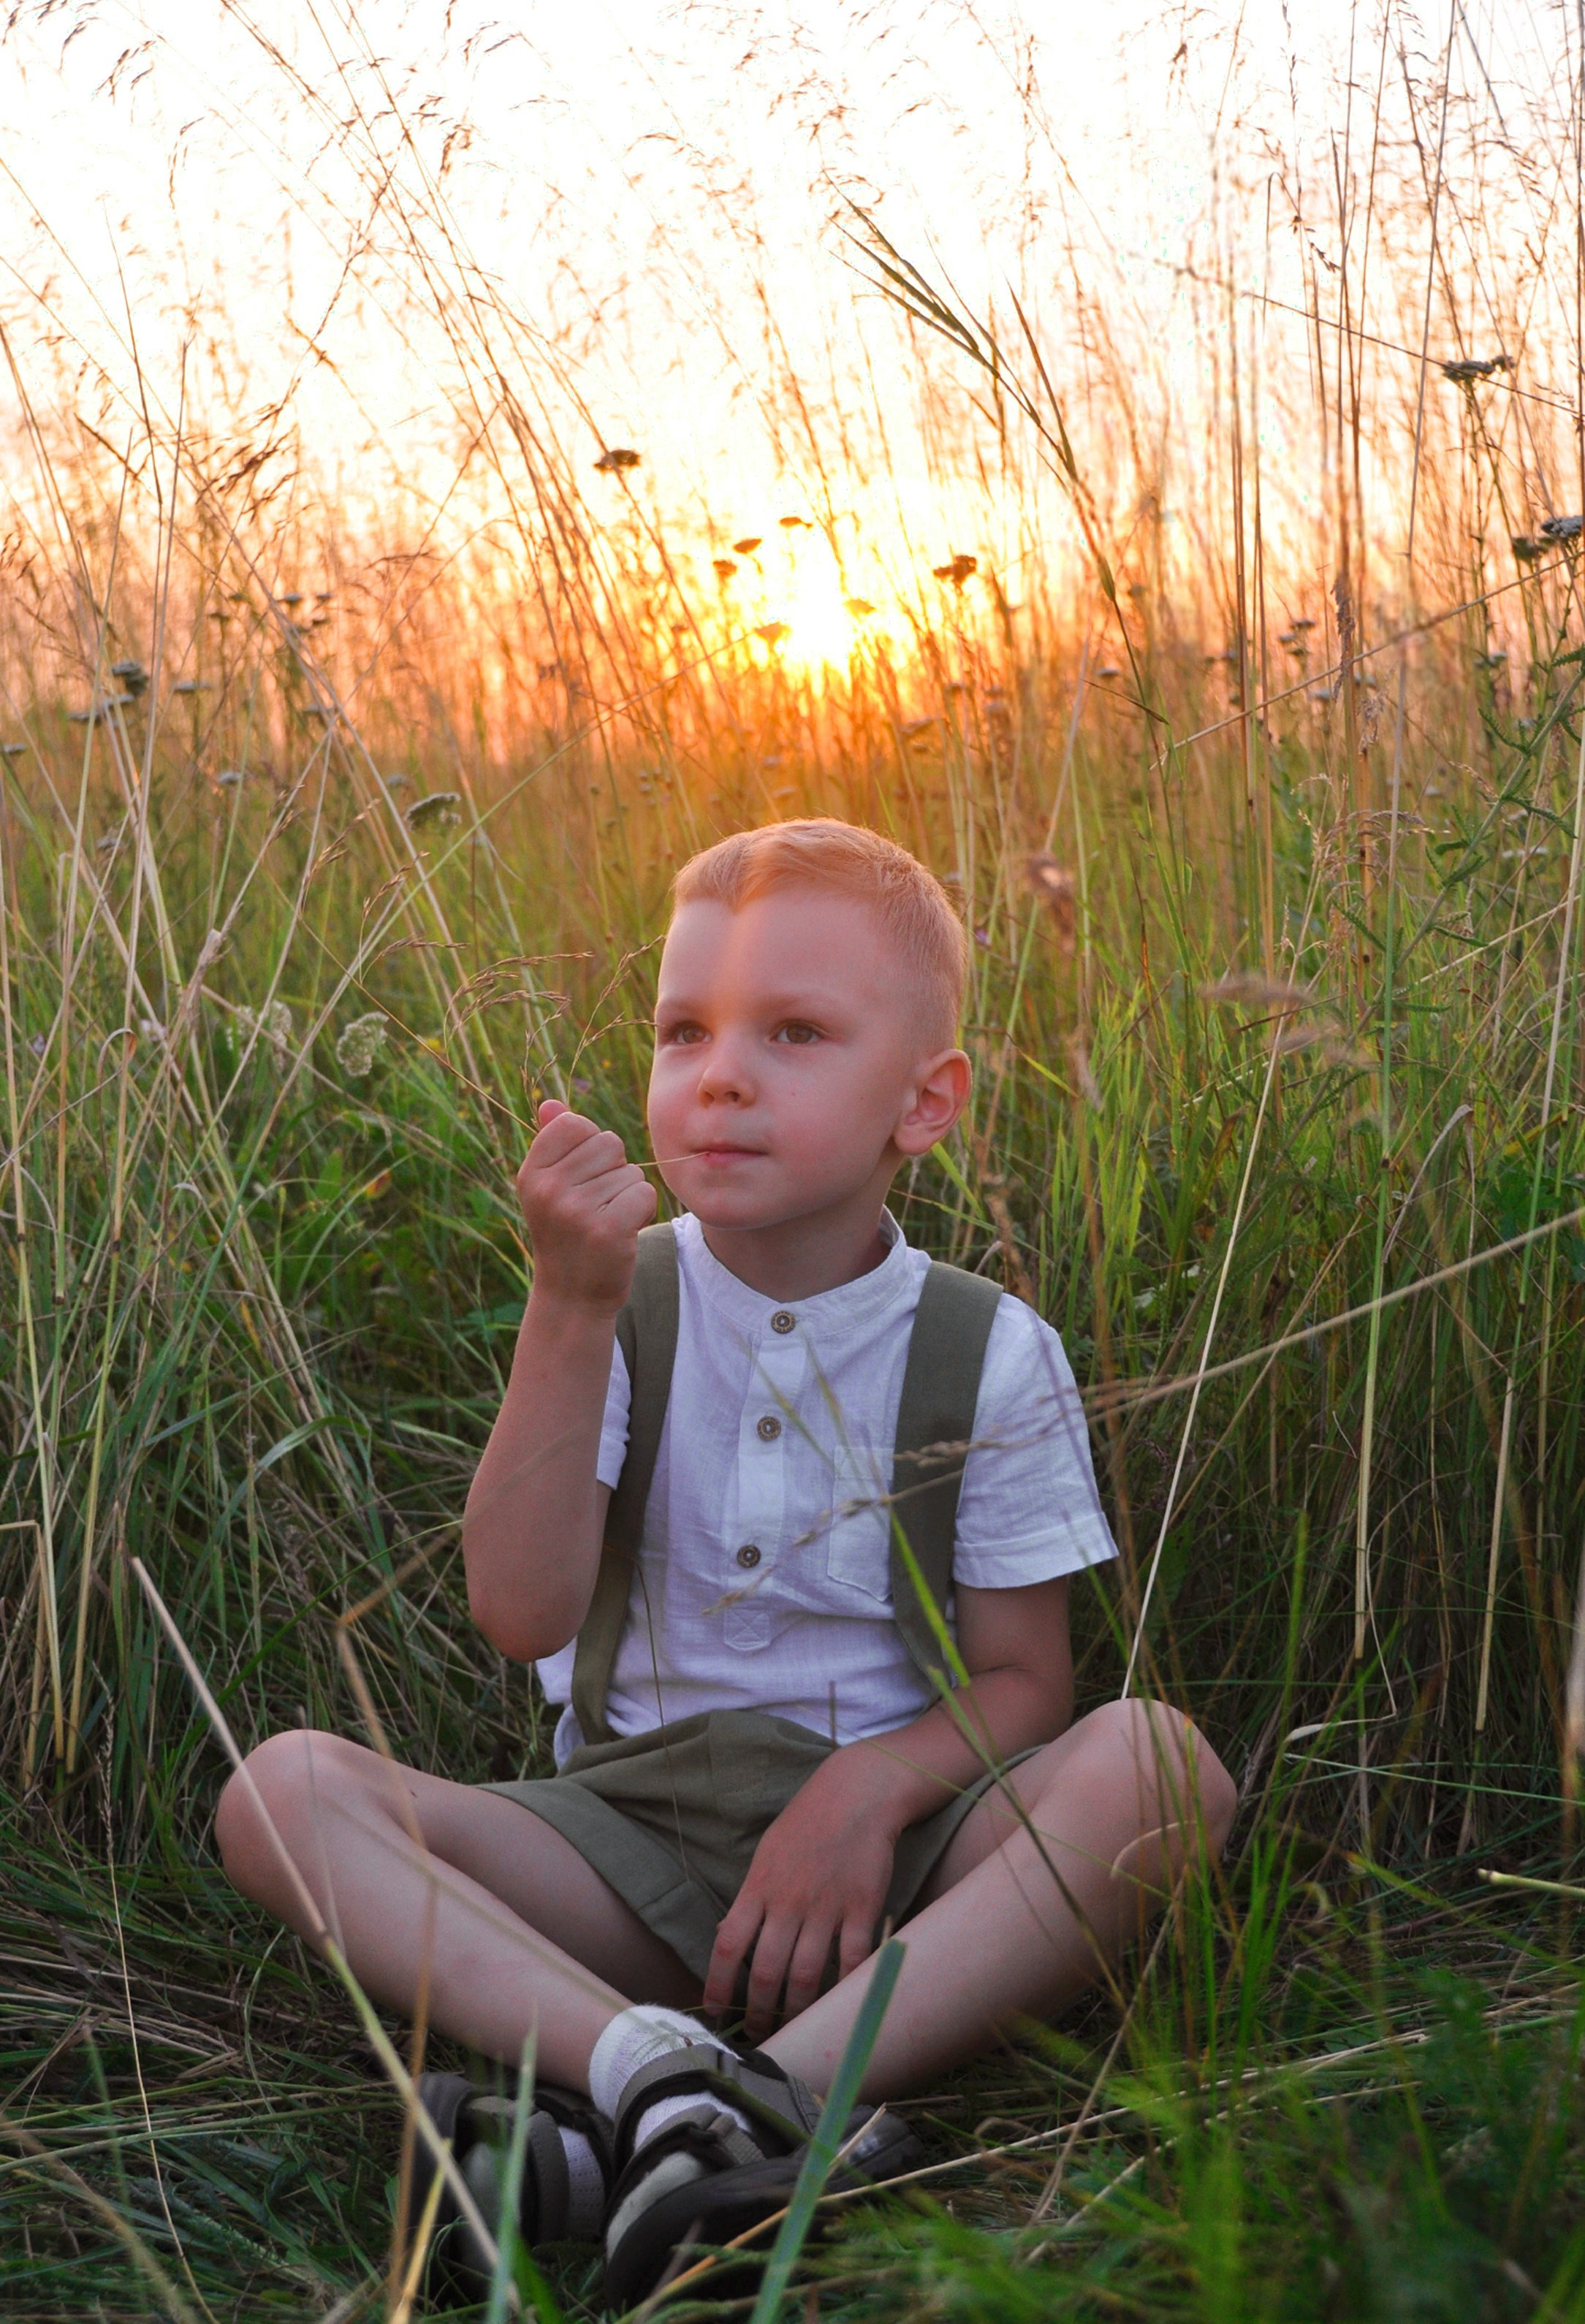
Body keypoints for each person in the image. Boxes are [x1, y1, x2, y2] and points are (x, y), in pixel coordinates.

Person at [216, 818, 1236, 2304]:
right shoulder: (616, 1302)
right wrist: (563, 1311)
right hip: (622, 1847)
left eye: (794, 1032)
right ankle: (656, 2078)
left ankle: (735, 2102)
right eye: (681, 1030)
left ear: (924, 1101)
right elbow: (519, 1613)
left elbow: (1025, 1681)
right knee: (283, 1792)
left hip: (895, 1873)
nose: (722, 1074)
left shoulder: (985, 1350)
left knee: (1159, 1770)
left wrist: (866, 1789)